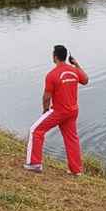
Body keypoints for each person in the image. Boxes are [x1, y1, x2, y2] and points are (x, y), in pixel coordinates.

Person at [24, 45, 89, 175]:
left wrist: (45, 110)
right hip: (73, 111)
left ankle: (34, 163)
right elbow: (85, 80)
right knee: (72, 139)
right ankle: (76, 170)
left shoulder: (52, 75)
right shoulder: (74, 71)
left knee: (35, 130)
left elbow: (46, 96)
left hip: (59, 112)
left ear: (55, 57)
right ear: (65, 57)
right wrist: (76, 64)